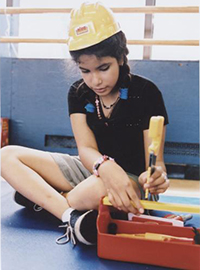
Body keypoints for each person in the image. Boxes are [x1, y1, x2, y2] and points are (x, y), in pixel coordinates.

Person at [1, 2, 169, 246]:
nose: (96, 80)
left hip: (128, 180)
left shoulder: (146, 92)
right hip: (91, 167)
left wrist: (155, 177)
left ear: (121, 56)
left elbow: (157, 163)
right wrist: (104, 165)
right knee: (6, 156)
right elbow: (86, 149)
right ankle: (69, 215)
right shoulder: (78, 93)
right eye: (85, 71)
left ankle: (45, 198)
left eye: (103, 68)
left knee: (89, 192)